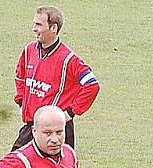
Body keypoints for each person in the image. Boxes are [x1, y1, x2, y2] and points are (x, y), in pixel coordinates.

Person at [11, 5, 100, 152]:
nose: (34, 29)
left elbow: (92, 85)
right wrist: (21, 101)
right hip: (32, 127)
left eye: (39, 25)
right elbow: (20, 76)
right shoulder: (29, 50)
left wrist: (70, 112)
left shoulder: (69, 59)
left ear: (53, 28)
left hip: (56, 132)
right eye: (34, 23)